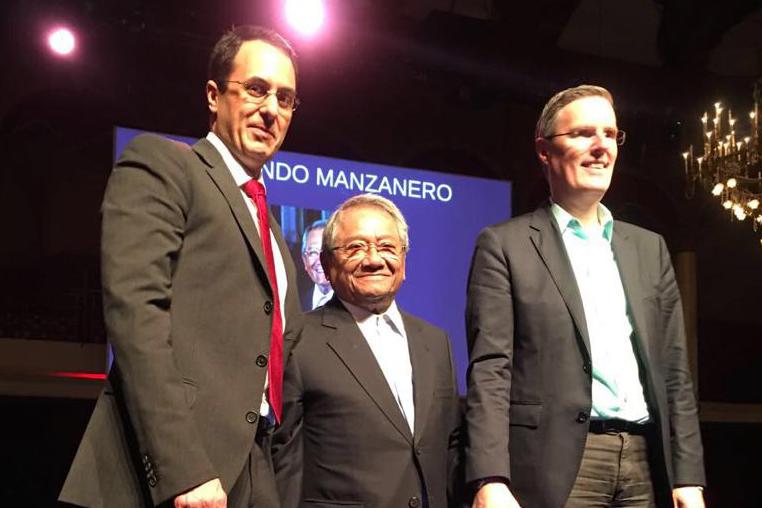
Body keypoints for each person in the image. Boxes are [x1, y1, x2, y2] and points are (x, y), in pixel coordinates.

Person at [60, 25, 302, 508]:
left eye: (285, 98)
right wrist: (183, 470)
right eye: (256, 88)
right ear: (214, 95)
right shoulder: (165, 165)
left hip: (253, 471)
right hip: (169, 476)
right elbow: (136, 316)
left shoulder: (272, 229)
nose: (271, 108)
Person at [465, 85, 706, 508]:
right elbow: (490, 369)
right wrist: (489, 477)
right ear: (544, 151)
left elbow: (675, 374)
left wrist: (689, 477)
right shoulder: (505, 245)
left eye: (611, 135)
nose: (601, 147)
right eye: (582, 134)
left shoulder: (649, 248)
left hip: (645, 461)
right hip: (554, 464)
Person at [272, 194, 462, 508]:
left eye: (387, 247)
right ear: (327, 264)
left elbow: (450, 445)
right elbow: (280, 456)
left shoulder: (435, 341)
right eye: (356, 247)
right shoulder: (298, 338)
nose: (374, 259)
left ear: (403, 263)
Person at [299, 219, 333, 310]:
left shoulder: (356, 304)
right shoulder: (296, 306)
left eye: (327, 251)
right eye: (313, 252)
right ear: (304, 260)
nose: (320, 260)